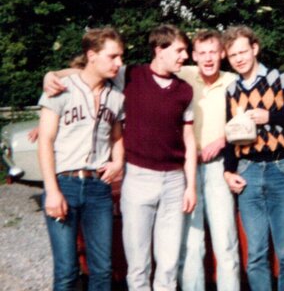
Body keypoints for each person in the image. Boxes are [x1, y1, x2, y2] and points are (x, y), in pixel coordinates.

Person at [43, 24, 197, 291]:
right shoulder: (130, 76)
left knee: (146, 266)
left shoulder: (180, 90)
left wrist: (190, 186)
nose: (186, 56)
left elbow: (120, 135)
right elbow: (85, 73)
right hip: (116, 180)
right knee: (82, 270)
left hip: (157, 182)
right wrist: (51, 74)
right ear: (159, 50)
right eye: (180, 50)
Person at [221, 25, 284, 291]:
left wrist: (270, 117)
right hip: (248, 171)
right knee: (256, 255)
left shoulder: (282, 80)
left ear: (255, 49)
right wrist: (229, 171)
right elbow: (230, 136)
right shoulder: (231, 90)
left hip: (281, 169)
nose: (239, 58)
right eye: (233, 55)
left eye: (243, 51)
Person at [37, 27, 125, 290]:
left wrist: (118, 162)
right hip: (65, 184)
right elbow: (45, 141)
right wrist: (52, 191)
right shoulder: (60, 90)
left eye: (121, 56)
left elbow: (117, 137)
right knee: (66, 271)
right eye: (113, 57)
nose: (119, 63)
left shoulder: (116, 96)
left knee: (102, 270)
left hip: (99, 188)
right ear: (92, 55)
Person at [176, 29, 240, 291]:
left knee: (225, 241)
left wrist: (222, 140)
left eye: (213, 52)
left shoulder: (234, 81)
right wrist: (54, 75)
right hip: (187, 169)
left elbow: (247, 121)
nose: (208, 58)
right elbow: (132, 74)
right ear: (194, 56)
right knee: (191, 243)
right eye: (202, 53)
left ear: (222, 53)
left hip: (218, 168)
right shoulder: (183, 74)